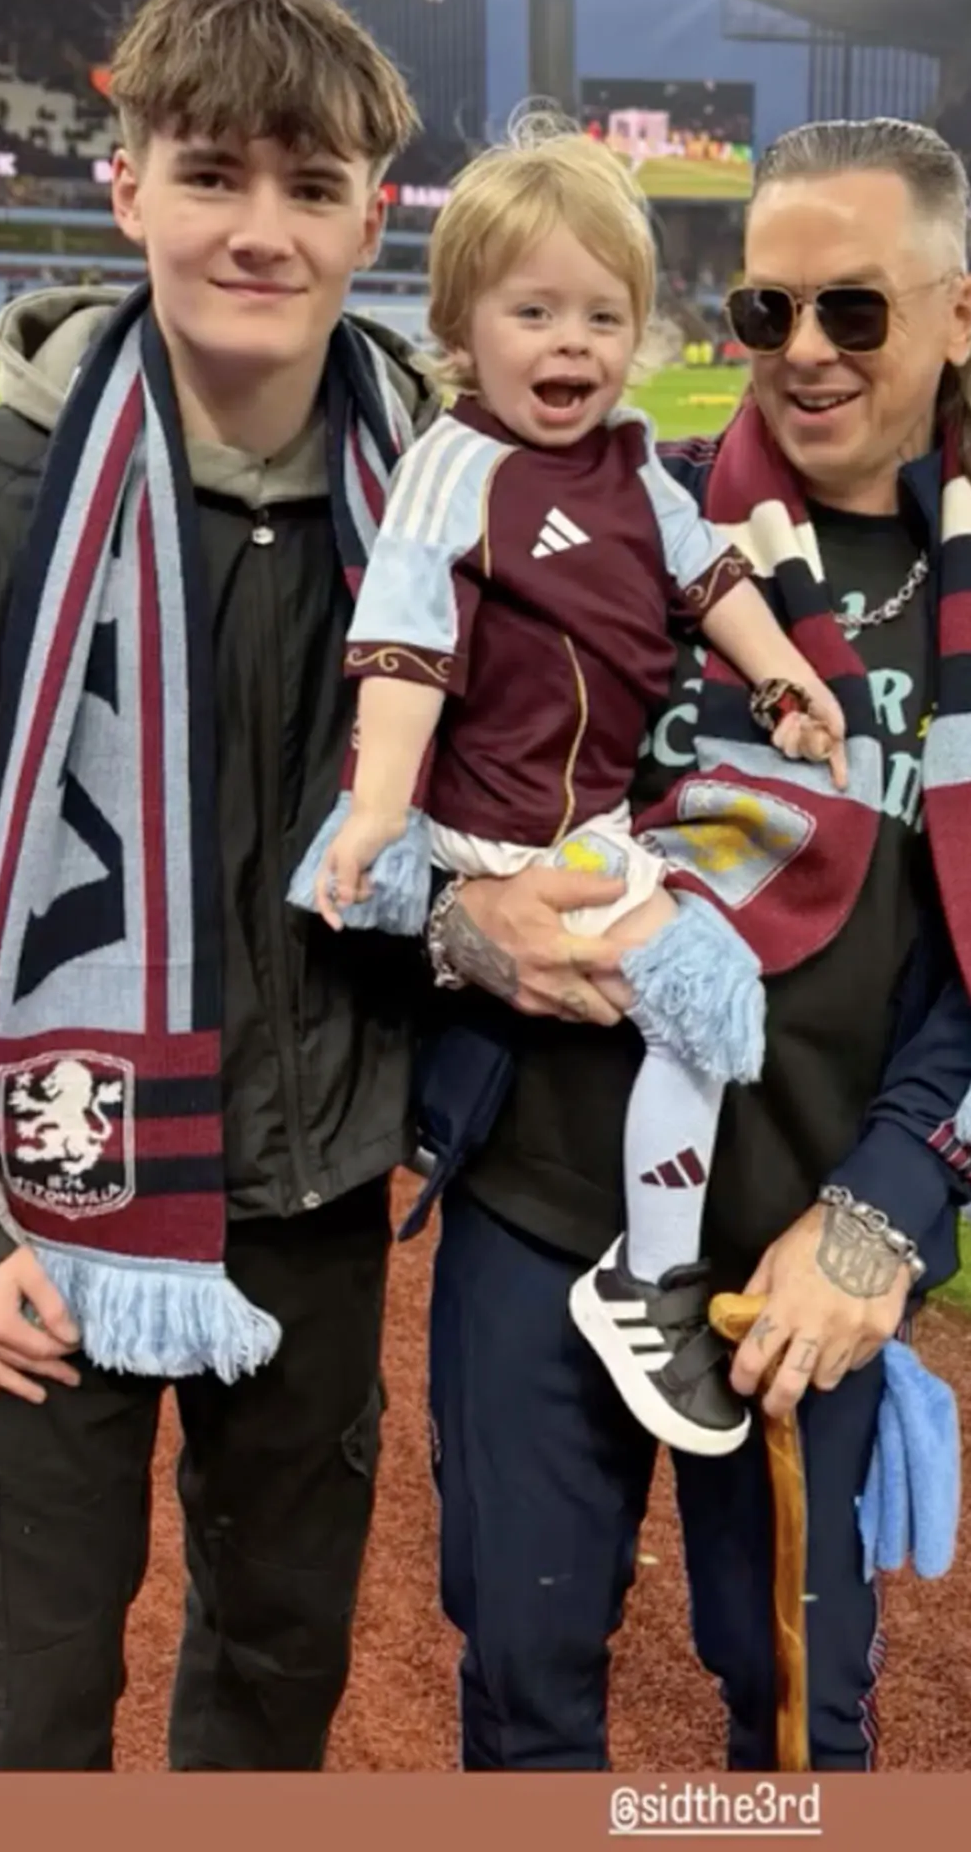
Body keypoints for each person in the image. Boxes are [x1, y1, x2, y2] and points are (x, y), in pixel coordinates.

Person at [419, 118, 971, 1770]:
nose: (805, 354)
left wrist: (883, 1218)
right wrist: (462, 924)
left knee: (796, 1702)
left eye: (858, 311)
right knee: (524, 1673)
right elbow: (425, 795)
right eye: (766, 313)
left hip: (800, 1257)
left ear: (960, 312)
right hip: (543, 1203)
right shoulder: (619, 511)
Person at [0, 0, 431, 1770]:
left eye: (311, 186)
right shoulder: (8, 495)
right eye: (215, 173)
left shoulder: (442, 509)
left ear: (372, 215)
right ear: (128, 186)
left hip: (317, 1210)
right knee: (24, 1699)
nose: (262, 228)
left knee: (274, 1684)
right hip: (45, 1206)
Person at [292, 122, 847, 1458]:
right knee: (706, 993)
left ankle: (644, 1263)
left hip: (589, 826)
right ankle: (649, 1277)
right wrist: (377, 807)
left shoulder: (632, 464)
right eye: (534, 310)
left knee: (697, 1001)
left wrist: (782, 677)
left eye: (603, 315)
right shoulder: (457, 469)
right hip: (489, 828)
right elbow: (407, 644)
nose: (572, 345)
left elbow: (711, 576)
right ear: (463, 323)